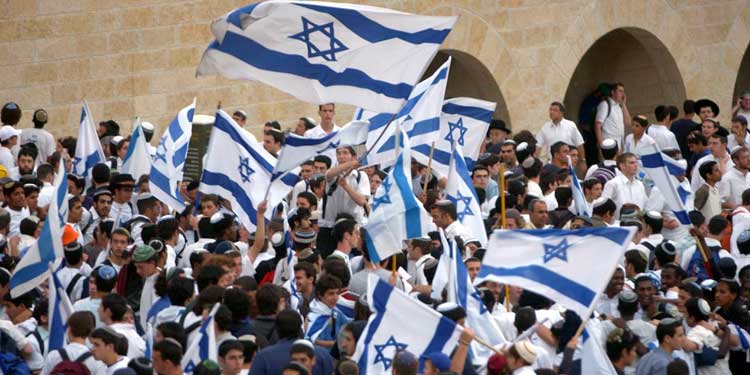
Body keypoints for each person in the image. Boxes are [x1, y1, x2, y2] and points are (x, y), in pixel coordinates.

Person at [250, 309, 334, 375]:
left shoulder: (263, 357)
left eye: (303, 360)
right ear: (300, 327)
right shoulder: (323, 355)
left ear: (277, 329)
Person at [595, 82, 630, 148]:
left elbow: (628, 123)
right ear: (612, 92)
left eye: (623, 91)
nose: (623, 94)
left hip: (619, 142)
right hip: (608, 142)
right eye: (620, 91)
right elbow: (597, 125)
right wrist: (601, 144)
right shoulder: (605, 104)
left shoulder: (619, 106)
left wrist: (624, 105)